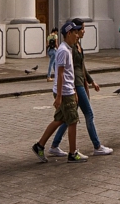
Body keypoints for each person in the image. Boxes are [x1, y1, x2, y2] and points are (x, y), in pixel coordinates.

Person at [50, 20, 113, 157]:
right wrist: (67, 91)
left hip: (79, 82)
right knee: (88, 114)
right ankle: (97, 146)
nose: (84, 31)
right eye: (82, 28)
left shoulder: (77, 45)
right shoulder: (69, 48)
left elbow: (82, 67)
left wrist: (91, 81)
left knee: (68, 118)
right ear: (74, 31)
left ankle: (54, 145)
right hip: (74, 85)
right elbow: (66, 71)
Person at [33, 21, 87, 163]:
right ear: (69, 34)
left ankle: (39, 145)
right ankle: (72, 153)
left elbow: (69, 74)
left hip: (67, 90)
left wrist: (74, 90)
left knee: (60, 120)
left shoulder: (68, 48)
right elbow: (61, 74)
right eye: (75, 32)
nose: (77, 35)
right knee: (73, 121)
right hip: (64, 92)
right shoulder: (63, 50)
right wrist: (59, 97)